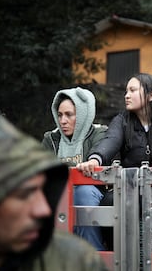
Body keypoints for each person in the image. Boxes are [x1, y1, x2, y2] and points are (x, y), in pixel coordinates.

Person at [0, 113, 107, 271]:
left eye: (42, 190)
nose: (44, 210)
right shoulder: (51, 138)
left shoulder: (76, 262)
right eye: (24, 195)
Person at [76, 73, 152, 249]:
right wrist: (95, 159)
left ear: (151, 95)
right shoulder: (122, 120)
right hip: (131, 188)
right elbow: (111, 140)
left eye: (132, 90)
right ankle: (115, 255)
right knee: (108, 203)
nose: (126, 95)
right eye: (126, 91)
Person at [41, 87, 107, 250]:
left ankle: (91, 256)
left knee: (83, 192)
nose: (63, 121)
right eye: (60, 115)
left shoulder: (99, 133)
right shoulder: (51, 139)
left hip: (92, 195)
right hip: (58, 194)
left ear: (83, 114)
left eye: (69, 115)